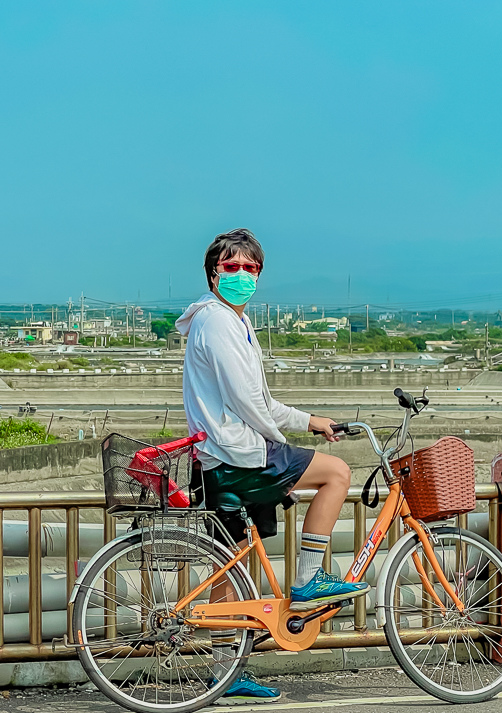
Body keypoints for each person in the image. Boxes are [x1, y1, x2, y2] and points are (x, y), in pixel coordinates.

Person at [176, 228, 369, 704]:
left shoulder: (230, 321)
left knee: (230, 567)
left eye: (249, 268)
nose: (241, 275)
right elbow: (249, 403)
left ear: (259, 274)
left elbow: (262, 400)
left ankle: (225, 675)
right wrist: (282, 442)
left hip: (217, 455)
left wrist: (311, 422)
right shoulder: (218, 323)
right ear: (213, 272)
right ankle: (306, 580)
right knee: (336, 473)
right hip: (239, 452)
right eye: (231, 267)